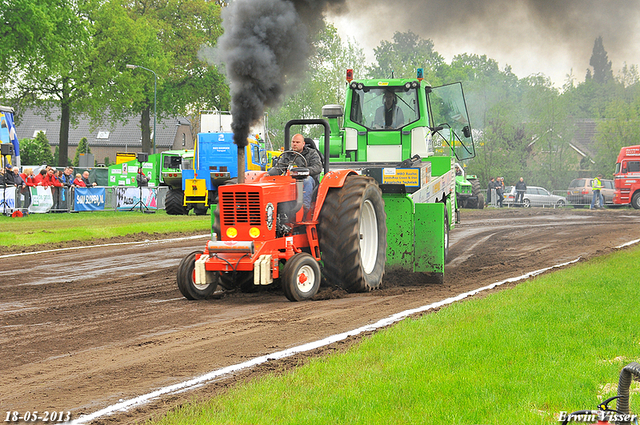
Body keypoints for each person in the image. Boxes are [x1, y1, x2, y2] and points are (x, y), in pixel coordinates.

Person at [268, 133, 322, 211]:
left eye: (297, 142)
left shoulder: (312, 153)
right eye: (293, 142)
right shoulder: (287, 154)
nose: (294, 144)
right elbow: (279, 168)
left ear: (303, 144)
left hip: (306, 179)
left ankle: (305, 207)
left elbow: (318, 167)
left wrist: (304, 172)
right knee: (275, 181)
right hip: (290, 179)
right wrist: (268, 174)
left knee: (307, 180)